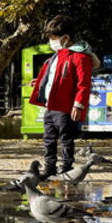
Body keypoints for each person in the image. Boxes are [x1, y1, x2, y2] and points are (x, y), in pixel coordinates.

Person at [27, 15, 97, 178]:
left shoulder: (80, 57)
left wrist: (78, 105)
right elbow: (55, 77)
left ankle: (66, 168)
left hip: (65, 106)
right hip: (51, 105)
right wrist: (40, 82)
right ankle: (49, 167)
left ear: (66, 38)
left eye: (53, 38)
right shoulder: (57, 55)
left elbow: (84, 84)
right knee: (48, 138)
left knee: (66, 138)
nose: (51, 41)